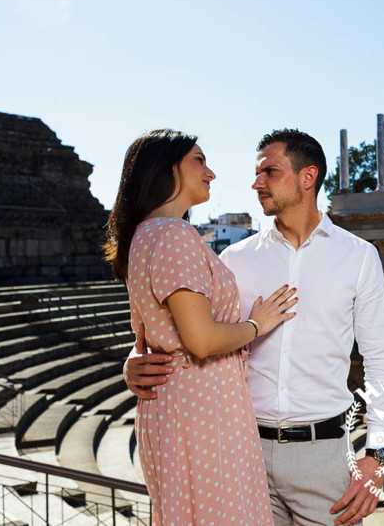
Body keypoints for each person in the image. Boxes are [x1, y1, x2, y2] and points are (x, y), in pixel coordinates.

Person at [125, 129, 384, 526]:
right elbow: (184, 324)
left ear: (308, 177)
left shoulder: (358, 257)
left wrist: (378, 455)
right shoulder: (232, 259)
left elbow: (380, 357)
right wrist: (135, 358)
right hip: (236, 448)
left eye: (269, 172)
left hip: (321, 456)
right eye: (256, 173)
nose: (256, 183)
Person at [103, 130, 299, 525]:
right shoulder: (173, 235)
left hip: (183, 408)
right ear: (166, 167)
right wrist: (256, 325)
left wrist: (132, 362)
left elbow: (147, 333)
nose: (210, 172)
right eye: (198, 160)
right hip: (201, 415)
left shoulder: (147, 234)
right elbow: (202, 340)